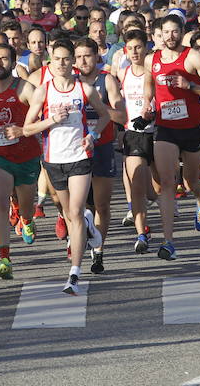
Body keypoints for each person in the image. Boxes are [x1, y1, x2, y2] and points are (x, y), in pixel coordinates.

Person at [20, 39, 111, 295]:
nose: (61, 63)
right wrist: (51, 119)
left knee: (75, 209)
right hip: (53, 160)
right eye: (57, 59)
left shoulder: (85, 89)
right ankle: (88, 225)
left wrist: (92, 135)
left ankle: (74, 273)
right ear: (51, 60)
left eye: (66, 59)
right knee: (70, 214)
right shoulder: (43, 91)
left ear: (73, 61)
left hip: (79, 157)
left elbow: (104, 115)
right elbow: (27, 128)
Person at [143, 14, 200, 260]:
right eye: (165, 32)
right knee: (167, 183)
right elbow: (149, 85)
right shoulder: (152, 59)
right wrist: (147, 104)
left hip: (192, 127)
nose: (170, 36)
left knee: (190, 181)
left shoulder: (193, 57)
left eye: (175, 31)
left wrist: (191, 86)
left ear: (182, 32)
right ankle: (168, 242)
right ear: (159, 34)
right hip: (165, 128)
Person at [0, 44, 42, 279]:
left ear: (14, 63)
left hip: (26, 156)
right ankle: (5, 257)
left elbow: (41, 117)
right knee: (1, 202)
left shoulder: (25, 89)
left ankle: (26, 218)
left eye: (4, 59)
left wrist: (23, 130)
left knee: (27, 204)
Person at [75, 37, 125, 274]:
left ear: (97, 56)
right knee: (80, 205)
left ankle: (98, 251)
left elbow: (121, 115)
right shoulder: (69, 82)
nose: (83, 61)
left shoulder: (108, 80)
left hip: (103, 147)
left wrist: (98, 107)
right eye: (79, 56)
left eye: (88, 55)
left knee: (102, 205)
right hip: (75, 150)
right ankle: (81, 233)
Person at [117, 29, 156, 253]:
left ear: (146, 48)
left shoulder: (153, 72)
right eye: (130, 48)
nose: (134, 52)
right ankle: (142, 234)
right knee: (136, 185)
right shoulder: (123, 74)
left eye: (138, 47)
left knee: (156, 190)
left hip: (158, 132)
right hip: (134, 134)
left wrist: (151, 112)